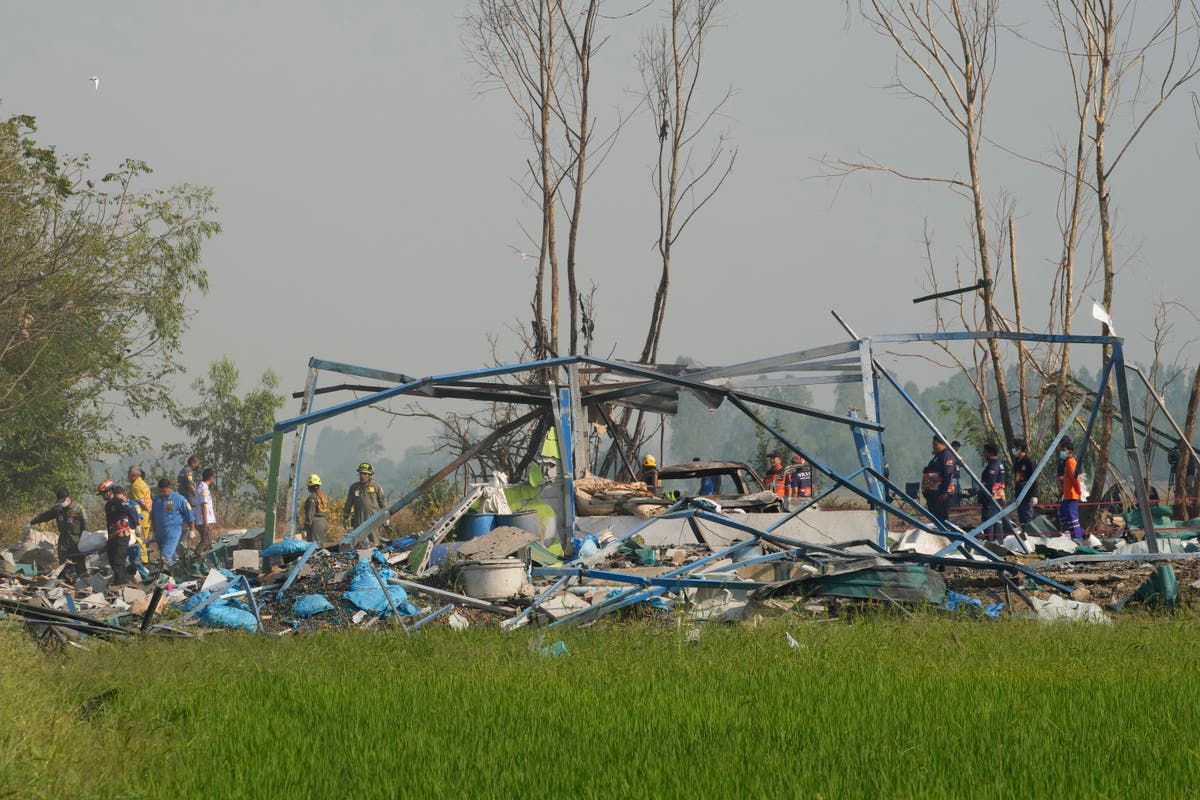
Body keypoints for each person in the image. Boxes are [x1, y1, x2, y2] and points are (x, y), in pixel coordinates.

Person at [28, 487, 87, 578]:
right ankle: (66, 581)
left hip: (76, 540)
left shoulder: (78, 508)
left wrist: (84, 539)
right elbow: (46, 516)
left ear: (68, 498)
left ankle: (83, 582)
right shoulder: (57, 508)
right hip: (63, 540)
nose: (62, 502)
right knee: (63, 565)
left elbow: (85, 525)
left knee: (79, 563)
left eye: (63, 500)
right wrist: (32, 522)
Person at [99, 480, 139, 585]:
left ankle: (122, 584)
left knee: (118, 561)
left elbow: (130, 511)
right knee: (112, 560)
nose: (103, 496)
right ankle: (120, 580)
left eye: (104, 493)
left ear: (110, 491)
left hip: (122, 536)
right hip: (112, 537)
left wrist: (135, 525)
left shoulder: (119, 501)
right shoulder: (107, 506)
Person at [151, 477, 195, 565]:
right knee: (171, 557)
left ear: (170, 488)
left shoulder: (179, 499)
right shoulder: (156, 499)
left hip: (173, 531)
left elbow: (189, 514)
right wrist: (154, 531)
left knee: (165, 556)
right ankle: (176, 574)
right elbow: (153, 516)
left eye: (164, 491)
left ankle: (165, 574)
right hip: (160, 532)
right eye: (160, 491)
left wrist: (192, 529)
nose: (162, 493)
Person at [343, 462, 387, 545]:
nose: (362, 476)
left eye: (365, 474)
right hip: (358, 519)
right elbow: (348, 503)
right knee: (359, 542)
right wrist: (345, 517)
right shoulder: (354, 487)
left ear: (370, 475)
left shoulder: (376, 487)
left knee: (374, 541)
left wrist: (386, 517)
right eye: (360, 474)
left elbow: (382, 503)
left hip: (373, 519)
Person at [114, 485, 150, 581]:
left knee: (135, 560)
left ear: (122, 494)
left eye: (117, 495)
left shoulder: (133, 505)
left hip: (134, 535)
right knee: (122, 561)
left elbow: (139, 517)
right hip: (124, 536)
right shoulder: (118, 506)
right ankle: (127, 578)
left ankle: (146, 578)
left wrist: (138, 527)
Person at [921, 436, 956, 526]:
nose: (933, 446)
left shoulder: (947, 456)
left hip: (940, 493)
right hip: (933, 493)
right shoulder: (937, 456)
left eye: (936, 444)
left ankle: (944, 537)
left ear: (943, 444)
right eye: (933, 444)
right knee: (935, 517)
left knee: (941, 517)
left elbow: (948, 474)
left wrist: (944, 492)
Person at [1057, 436, 1085, 540]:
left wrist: (1079, 492)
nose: (1062, 452)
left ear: (1070, 451)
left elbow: (1075, 478)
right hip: (1067, 494)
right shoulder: (1066, 462)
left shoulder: (1071, 462)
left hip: (1072, 494)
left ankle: (1078, 539)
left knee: (1073, 519)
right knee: (1065, 514)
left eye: (1064, 450)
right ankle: (1077, 535)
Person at [977, 442, 1007, 540]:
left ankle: (991, 544)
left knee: (989, 522)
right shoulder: (998, 464)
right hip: (997, 499)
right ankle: (998, 543)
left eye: (985, 452)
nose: (984, 455)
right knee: (997, 521)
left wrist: (983, 497)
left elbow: (990, 484)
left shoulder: (993, 466)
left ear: (989, 453)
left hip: (991, 500)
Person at [127, 466, 154, 552]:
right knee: (146, 540)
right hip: (147, 516)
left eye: (128, 475)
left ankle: (143, 561)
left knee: (140, 540)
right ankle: (147, 560)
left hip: (141, 516)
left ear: (133, 476)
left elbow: (141, 502)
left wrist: (149, 511)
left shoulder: (136, 486)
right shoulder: (143, 484)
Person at [1010, 439, 1036, 528]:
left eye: (1014, 448)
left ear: (1020, 448)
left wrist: (1034, 495)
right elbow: (1016, 477)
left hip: (1027, 495)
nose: (1013, 450)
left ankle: (1029, 537)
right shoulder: (1017, 461)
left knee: (1027, 518)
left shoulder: (1028, 461)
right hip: (1019, 494)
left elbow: (1034, 478)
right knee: (1021, 518)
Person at [192, 467, 217, 552]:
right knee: (206, 542)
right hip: (204, 520)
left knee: (209, 543)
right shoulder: (203, 488)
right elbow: (204, 505)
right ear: (211, 478)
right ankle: (193, 559)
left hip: (204, 520)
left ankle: (206, 561)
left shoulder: (203, 487)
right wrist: (206, 522)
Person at [302, 473, 329, 542]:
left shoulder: (312, 498)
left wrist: (305, 529)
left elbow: (309, 516)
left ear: (310, 487)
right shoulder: (322, 497)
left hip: (315, 526)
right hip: (324, 523)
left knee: (313, 548)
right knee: (321, 547)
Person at [948, 440, 964, 505]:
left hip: (958, 477)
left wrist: (961, 461)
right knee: (953, 492)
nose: (958, 449)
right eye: (957, 447)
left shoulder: (957, 455)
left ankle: (958, 505)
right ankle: (953, 506)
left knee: (959, 491)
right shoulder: (949, 455)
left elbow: (961, 465)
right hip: (952, 477)